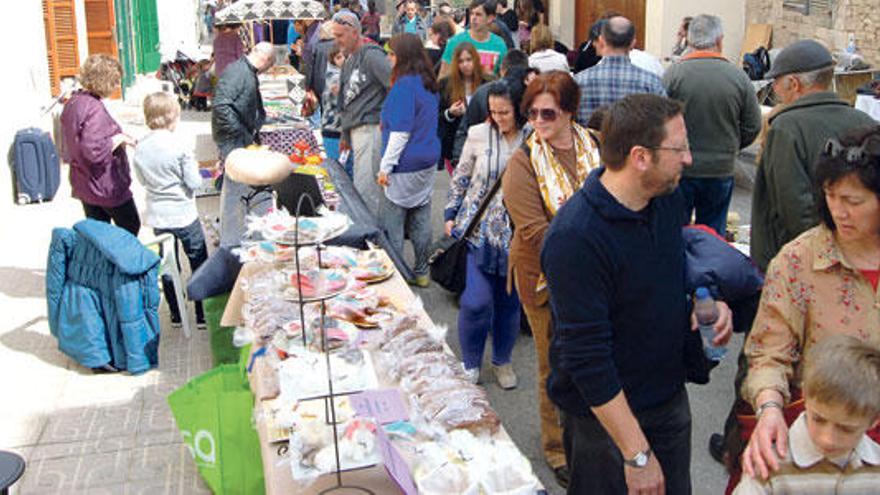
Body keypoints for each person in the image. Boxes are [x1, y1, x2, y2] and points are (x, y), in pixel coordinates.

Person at [541, 93, 733, 494]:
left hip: (667, 399)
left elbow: (675, 267)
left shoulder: (667, 200)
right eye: (678, 148)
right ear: (640, 157)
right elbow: (587, 358)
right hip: (605, 424)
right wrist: (636, 454)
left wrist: (706, 299)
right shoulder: (575, 237)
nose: (689, 159)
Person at [740, 124, 880, 486]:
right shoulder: (800, 259)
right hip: (822, 434)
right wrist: (769, 408)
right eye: (832, 197)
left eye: (854, 201)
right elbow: (769, 353)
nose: (840, 212)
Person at [501, 71, 602, 489]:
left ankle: (598, 431)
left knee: (596, 358)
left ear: (570, 111)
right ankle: (556, 447)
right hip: (544, 278)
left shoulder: (595, 144)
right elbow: (538, 234)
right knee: (553, 365)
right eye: (532, 113)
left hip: (599, 276)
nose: (538, 121)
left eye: (548, 113)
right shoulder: (522, 164)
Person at [750, 39, 876, 272]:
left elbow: (793, 207)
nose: (774, 90)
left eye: (776, 82)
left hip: (801, 263)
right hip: (860, 256)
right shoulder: (865, 121)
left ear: (794, 84)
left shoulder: (786, 127)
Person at [446, 81, 528, 388]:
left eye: (505, 112)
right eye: (493, 112)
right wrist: (450, 212)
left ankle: (502, 361)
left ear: (519, 109)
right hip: (478, 230)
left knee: (509, 303)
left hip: (517, 234)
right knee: (476, 302)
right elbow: (462, 174)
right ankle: (470, 361)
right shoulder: (479, 133)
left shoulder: (533, 137)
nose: (498, 118)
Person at [735, 335, 880, 494]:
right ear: (804, 395)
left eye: (846, 429)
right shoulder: (769, 465)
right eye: (818, 419)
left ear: (874, 420)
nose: (828, 439)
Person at [663, 14, 761, 237]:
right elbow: (753, 125)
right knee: (712, 235)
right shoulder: (738, 77)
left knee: (676, 232)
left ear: (688, 40)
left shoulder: (673, 75)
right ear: (720, 40)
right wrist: (732, 144)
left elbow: (659, 121)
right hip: (720, 167)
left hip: (680, 168)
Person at [132, 92, 208, 326]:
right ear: (171, 116)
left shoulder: (141, 147)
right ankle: (202, 312)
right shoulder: (179, 145)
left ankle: (175, 312)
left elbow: (143, 181)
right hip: (184, 214)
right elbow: (194, 182)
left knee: (167, 263)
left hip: (159, 215)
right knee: (198, 261)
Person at [376, 33, 440, 288]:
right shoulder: (427, 82)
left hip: (404, 162)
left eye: (392, 54)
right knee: (422, 216)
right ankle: (422, 271)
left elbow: (400, 133)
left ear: (402, 57)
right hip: (427, 160)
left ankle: (398, 275)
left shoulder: (403, 86)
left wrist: (385, 167)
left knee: (394, 220)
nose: (389, 58)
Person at [60, 54, 140, 236]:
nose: (118, 86)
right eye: (115, 82)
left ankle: (103, 264)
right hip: (104, 184)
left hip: (84, 183)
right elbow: (94, 150)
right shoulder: (93, 109)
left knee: (99, 234)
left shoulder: (74, 102)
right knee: (130, 227)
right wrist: (119, 139)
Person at [212, 42, 275, 247]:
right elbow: (221, 105)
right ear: (266, 60)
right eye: (270, 65)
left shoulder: (244, 70)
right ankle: (232, 240)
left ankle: (237, 234)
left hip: (238, 136)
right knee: (234, 189)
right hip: (234, 139)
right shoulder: (239, 72)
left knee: (237, 186)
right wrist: (238, 133)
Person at [333, 9, 392, 216]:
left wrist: (388, 118)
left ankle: (373, 242)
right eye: (335, 35)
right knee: (362, 189)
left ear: (354, 33)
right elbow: (347, 103)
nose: (336, 40)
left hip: (371, 128)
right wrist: (345, 134)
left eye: (340, 35)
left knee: (367, 193)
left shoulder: (372, 56)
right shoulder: (350, 60)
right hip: (358, 131)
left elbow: (395, 86)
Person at [574, 16, 666, 127]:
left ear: (602, 41)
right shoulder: (652, 83)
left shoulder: (579, 82)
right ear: (633, 44)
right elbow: (663, 123)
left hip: (591, 143)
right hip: (637, 143)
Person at [452, 49, 529, 165]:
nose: (498, 118)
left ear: (502, 70)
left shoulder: (482, 92)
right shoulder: (533, 96)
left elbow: (464, 130)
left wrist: (460, 160)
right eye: (494, 112)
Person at [439, 42, 493, 174]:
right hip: (454, 148)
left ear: (475, 60)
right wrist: (450, 113)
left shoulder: (488, 83)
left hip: (483, 147)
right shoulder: (446, 85)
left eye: (469, 60)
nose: (465, 65)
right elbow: (437, 117)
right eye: (461, 61)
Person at [441, 0, 508, 76]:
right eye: (472, 14)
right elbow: (443, 75)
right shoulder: (455, 42)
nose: (473, 18)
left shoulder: (499, 44)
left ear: (490, 18)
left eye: (478, 14)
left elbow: (503, 77)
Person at [321, 44, 354, 177]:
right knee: (339, 172)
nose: (344, 60)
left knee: (348, 169)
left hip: (346, 130)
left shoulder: (349, 74)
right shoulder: (334, 77)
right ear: (332, 60)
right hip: (334, 129)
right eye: (339, 57)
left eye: (346, 56)